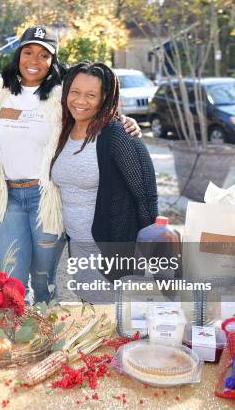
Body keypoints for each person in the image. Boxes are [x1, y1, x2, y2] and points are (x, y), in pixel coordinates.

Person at [0, 26, 142, 303]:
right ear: (18, 54)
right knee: (10, 278)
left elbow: (93, 108)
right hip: (8, 197)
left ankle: (44, 335)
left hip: (46, 198)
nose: (34, 61)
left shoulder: (62, 95)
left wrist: (126, 121)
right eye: (28, 52)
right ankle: (12, 337)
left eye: (44, 55)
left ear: (53, 60)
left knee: (43, 278)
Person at [50, 62, 158, 302]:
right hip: (78, 246)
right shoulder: (63, 130)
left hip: (111, 248)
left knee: (116, 321)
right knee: (91, 312)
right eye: (75, 92)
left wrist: (150, 252)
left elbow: (146, 194)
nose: (80, 101)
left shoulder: (117, 134)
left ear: (104, 98)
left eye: (91, 95)